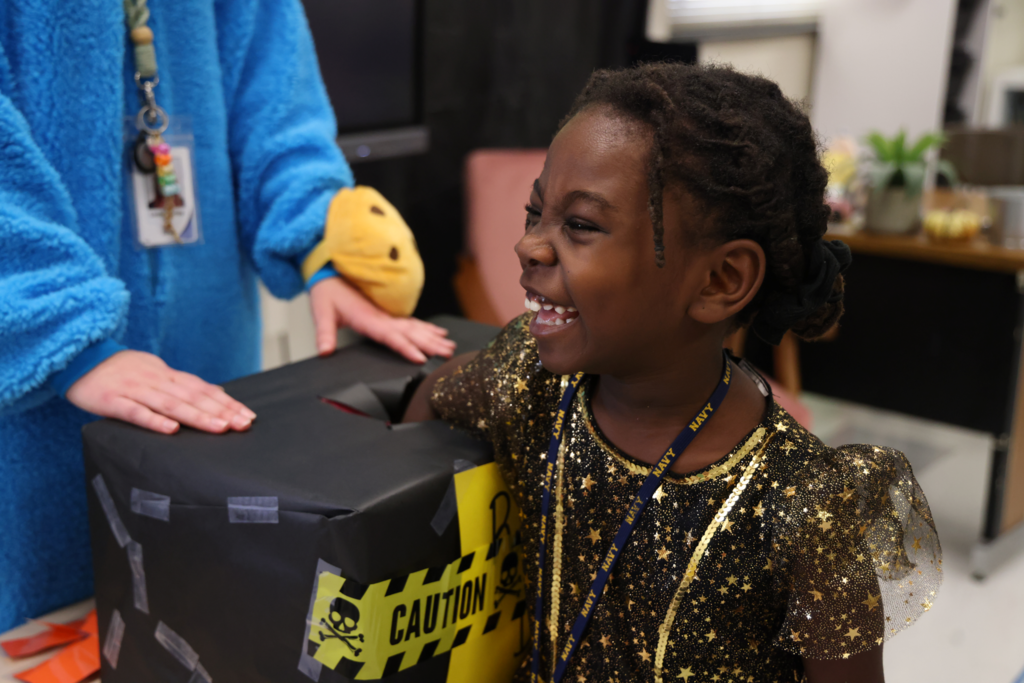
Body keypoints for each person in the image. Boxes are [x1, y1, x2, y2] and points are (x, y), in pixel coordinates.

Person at [405, 63, 940, 683]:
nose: (529, 246)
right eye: (534, 214)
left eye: (579, 225)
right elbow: (427, 404)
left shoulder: (804, 506)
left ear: (720, 281)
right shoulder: (527, 374)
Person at [0, 0, 453, 632]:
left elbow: (279, 102)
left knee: (209, 618)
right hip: (25, 410)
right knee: (46, 630)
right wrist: (58, 327)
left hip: (213, 368)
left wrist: (321, 244)